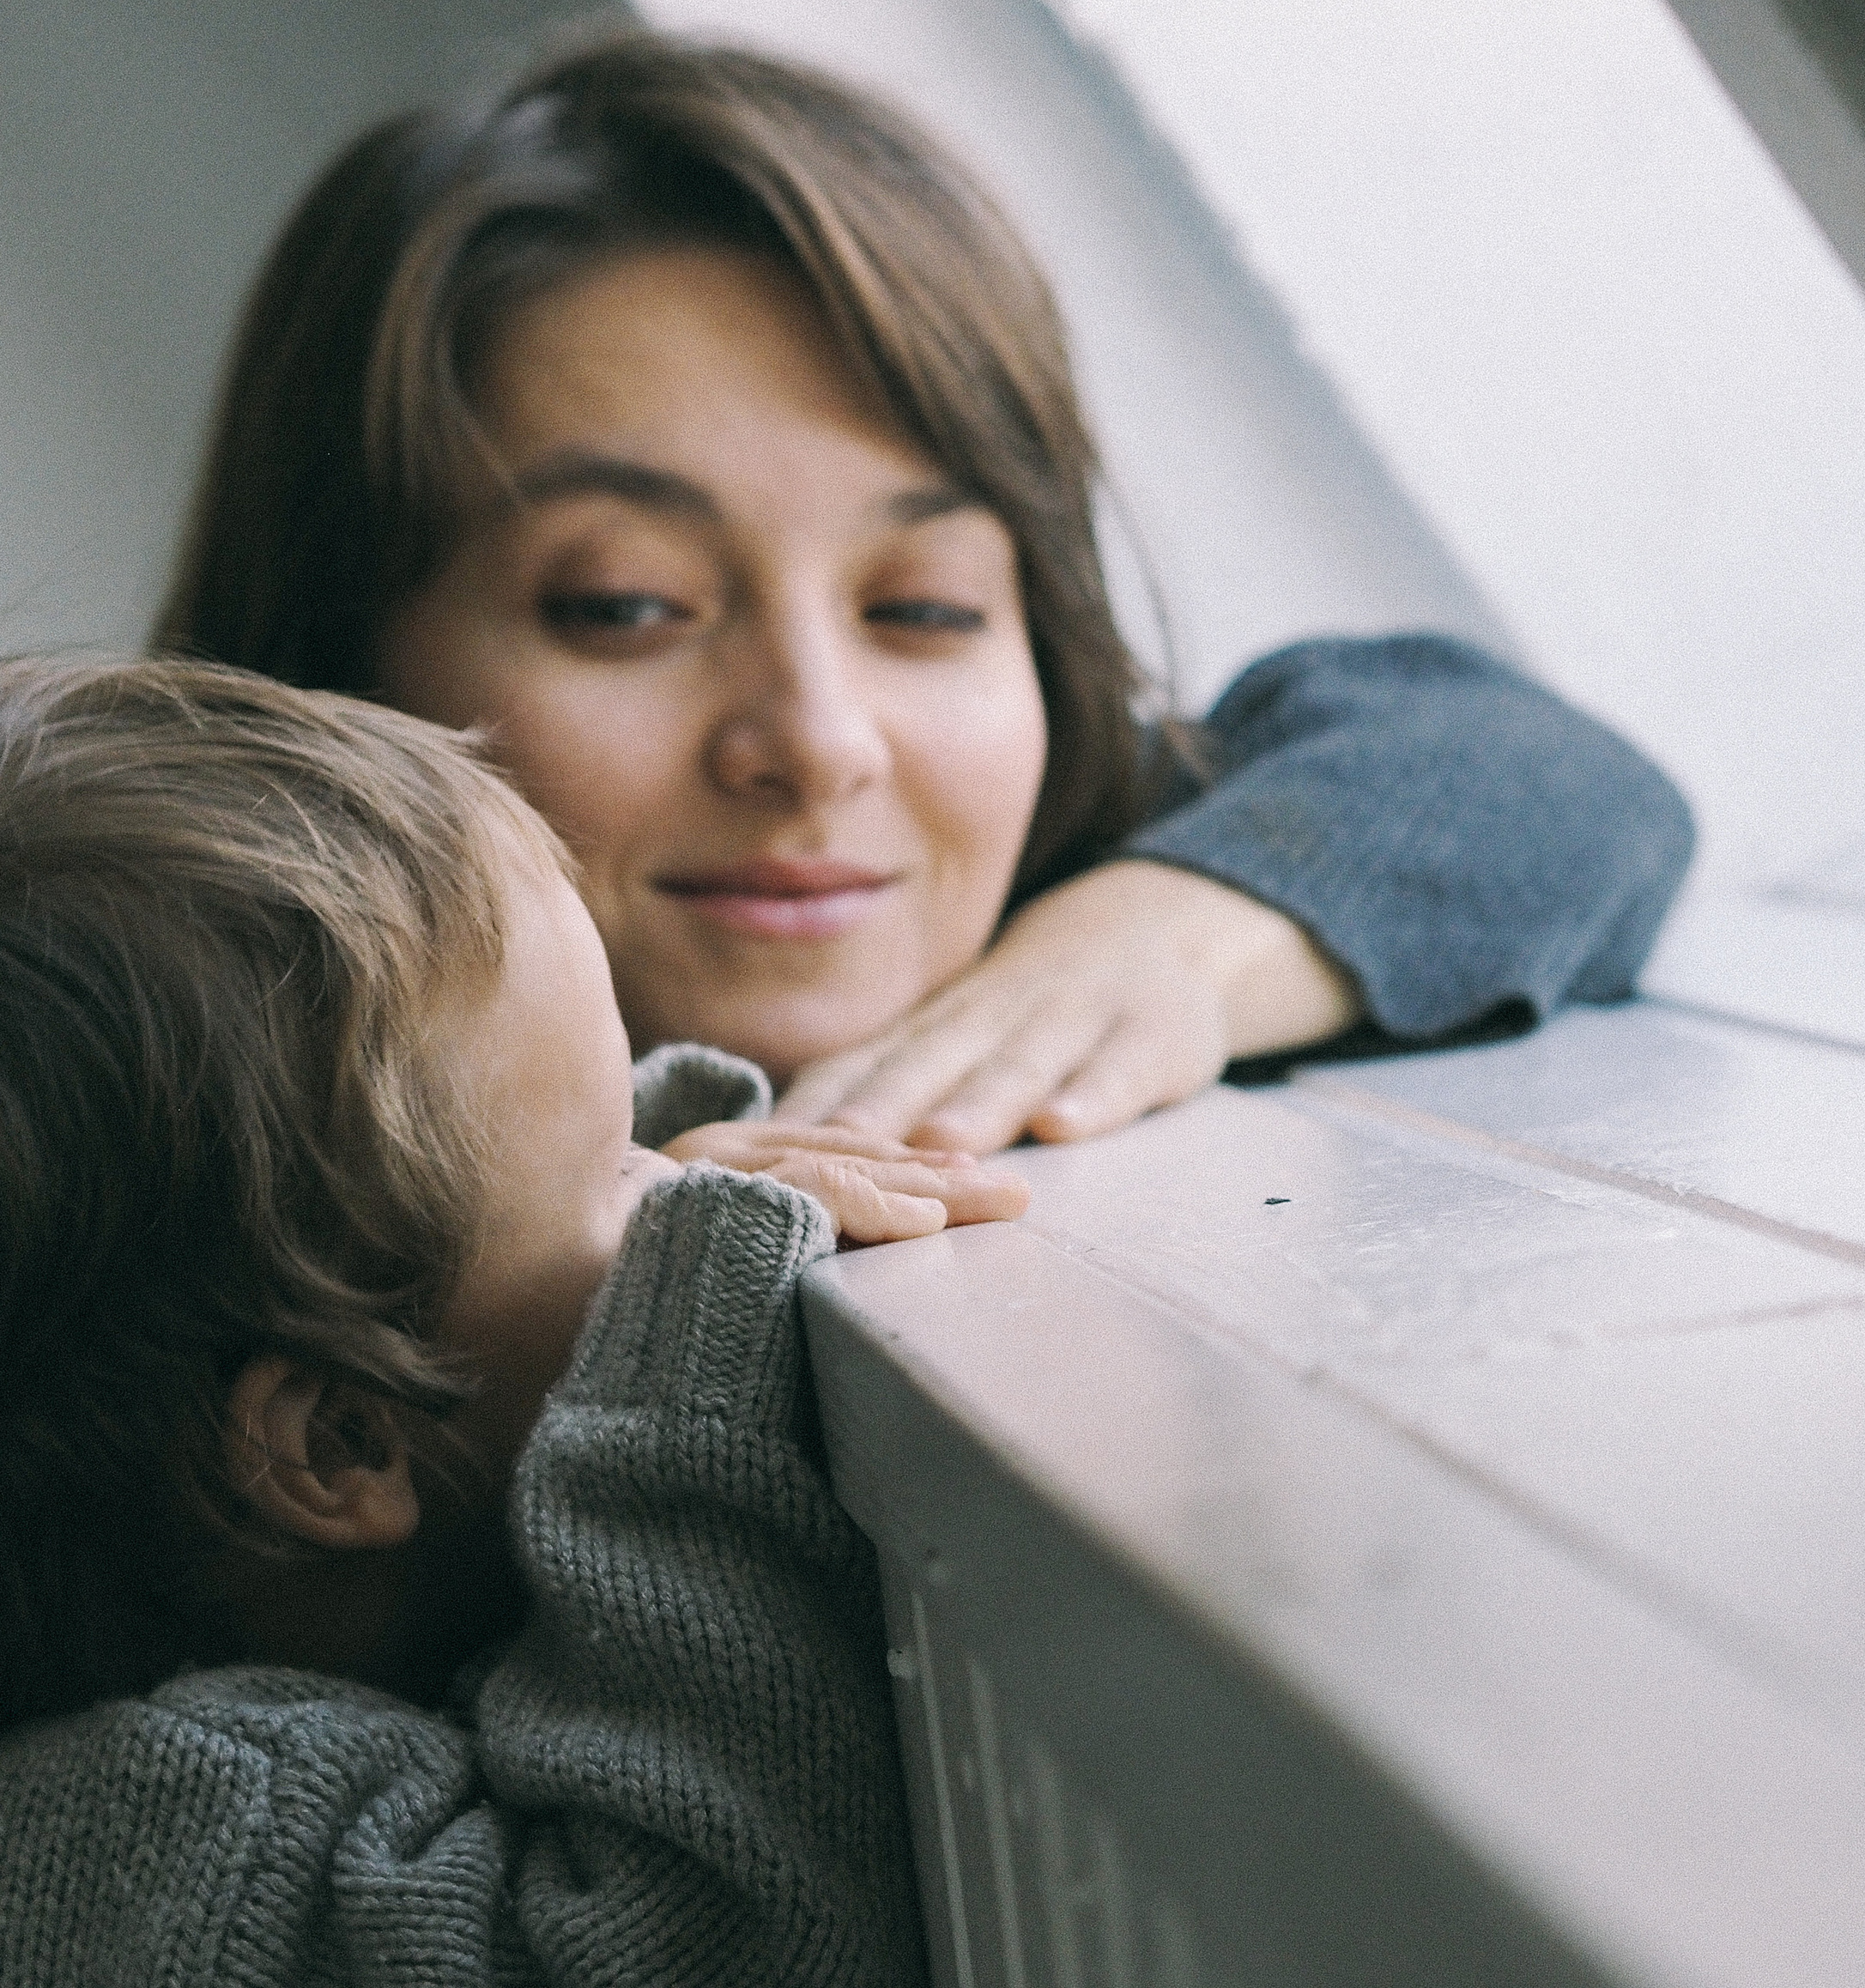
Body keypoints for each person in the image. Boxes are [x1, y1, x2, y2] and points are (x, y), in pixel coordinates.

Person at [155, 32, 1696, 1160]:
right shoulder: (137, 1129)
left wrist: (1169, 948)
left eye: (928, 606)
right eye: (626, 607)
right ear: (330, 665)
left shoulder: (1070, 867)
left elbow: (1550, 779)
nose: (821, 743)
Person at [0, 653, 1026, 1988]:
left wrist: (644, 1192)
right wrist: (697, 1382)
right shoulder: (159, 1887)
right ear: (339, 1450)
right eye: (623, 1170)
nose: (680, 1189)